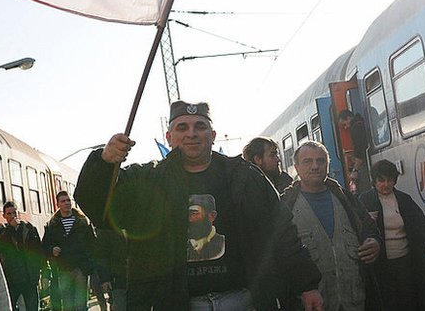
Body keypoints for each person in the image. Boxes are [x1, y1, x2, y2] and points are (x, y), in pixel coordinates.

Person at [75, 100, 324, 311]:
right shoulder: (147, 181)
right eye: (182, 127)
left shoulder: (244, 176)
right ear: (169, 137)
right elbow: (98, 209)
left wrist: (307, 284)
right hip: (176, 304)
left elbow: (281, 232)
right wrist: (104, 162)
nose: (191, 133)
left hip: (242, 300)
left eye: (200, 126)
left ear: (212, 135)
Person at [280, 141, 382, 311]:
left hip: (355, 300)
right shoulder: (285, 207)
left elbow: (370, 229)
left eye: (321, 161)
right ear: (296, 167)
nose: (315, 166)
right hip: (313, 305)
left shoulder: (347, 200)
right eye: (307, 161)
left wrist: (374, 242)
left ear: (327, 165)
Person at [358, 160, 425, 311]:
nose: (386, 184)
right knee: (387, 301)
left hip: (404, 259)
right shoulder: (365, 200)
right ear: (374, 181)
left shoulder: (404, 199)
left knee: (407, 299)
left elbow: (419, 222)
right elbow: (358, 228)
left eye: (390, 180)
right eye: (381, 180)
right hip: (380, 262)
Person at [42, 191, 95, 311]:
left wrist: (89, 264)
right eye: (63, 201)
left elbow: (92, 244)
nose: (66, 203)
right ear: (58, 204)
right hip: (64, 268)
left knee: (81, 304)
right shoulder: (52, 225)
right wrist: (52, 249)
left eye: (68, 200)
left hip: (81, 267)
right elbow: (44, 246)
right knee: (67, 304)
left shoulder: (82, 222)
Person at [0, 201, 44, 311]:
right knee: (10, 307)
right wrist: (9, 229)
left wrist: (42, 271)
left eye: (14, 213)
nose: (12, 216)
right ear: (4, 216)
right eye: (9, 214)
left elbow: (39, 251)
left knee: (32, 307)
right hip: (12, 278)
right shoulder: (1, 230)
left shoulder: (29, 229)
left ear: (18, 213)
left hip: (29, 277)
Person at [92, 227, 128, 311]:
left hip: (138, 277)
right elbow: (101, 256)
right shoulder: (106, 229)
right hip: (117, 277)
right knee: (120, 304)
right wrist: (105, 279)